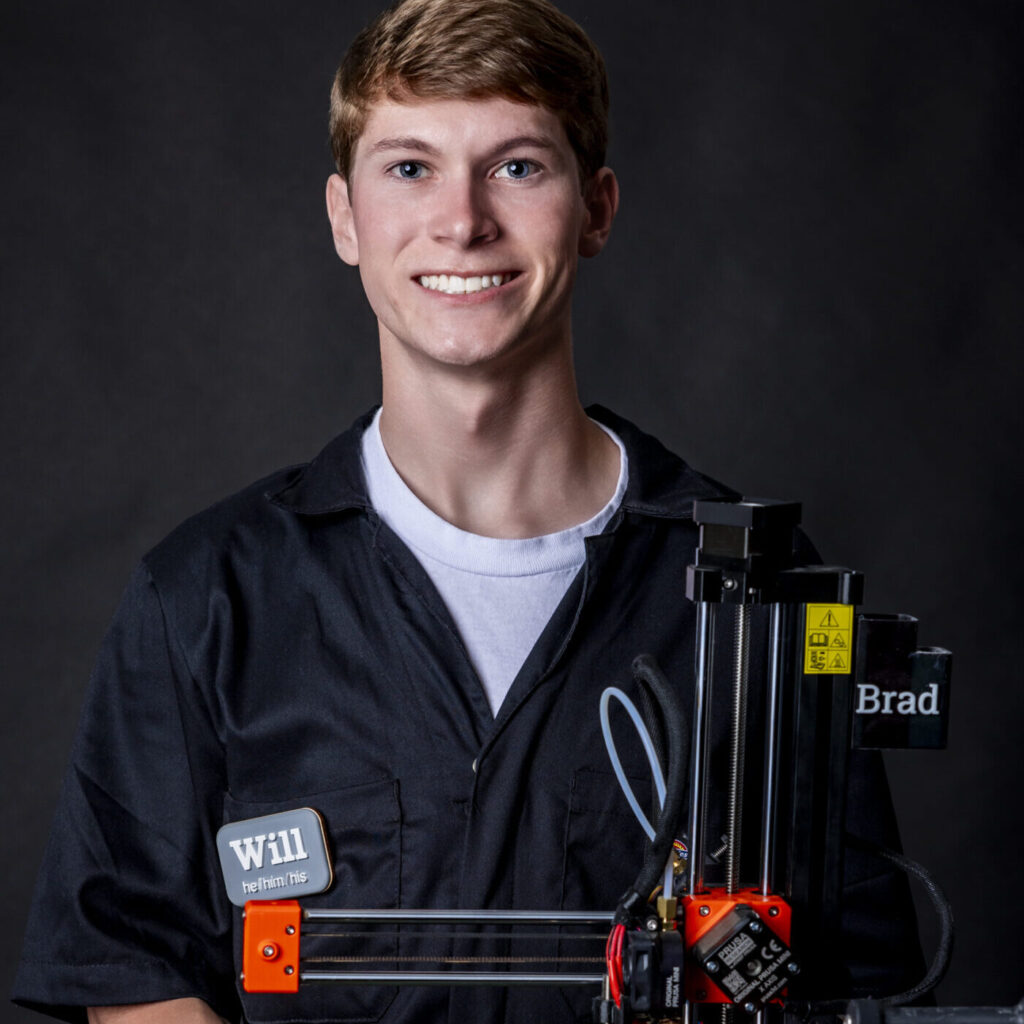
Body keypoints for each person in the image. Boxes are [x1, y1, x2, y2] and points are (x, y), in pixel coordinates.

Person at [13, 1, 925, 1021]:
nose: (462, 221)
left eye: (519, 167)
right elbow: (130, 973)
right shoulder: (208, 596)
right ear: (343, 216)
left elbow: (851, 972)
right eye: (409, 167)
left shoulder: (764, 594)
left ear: (597, 208)